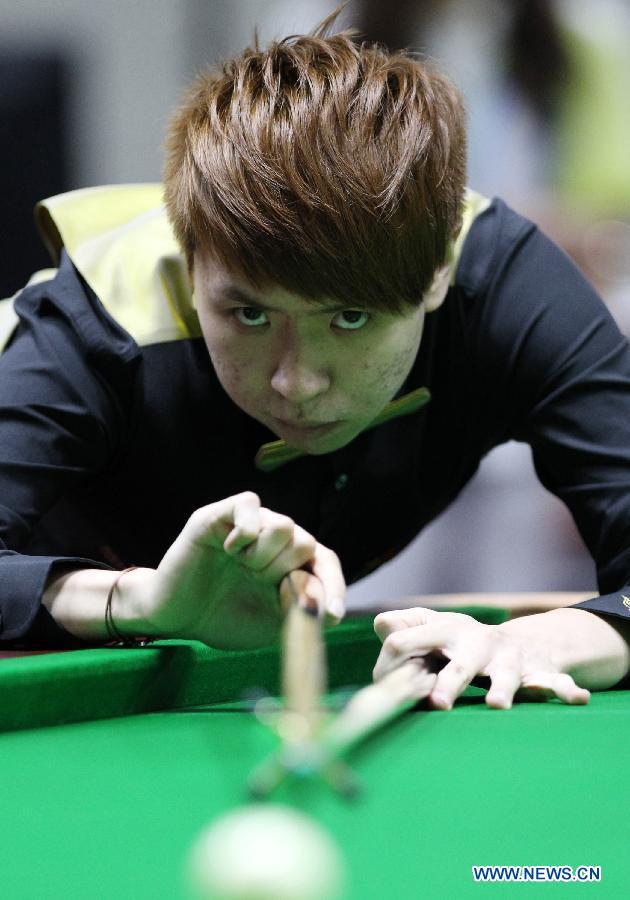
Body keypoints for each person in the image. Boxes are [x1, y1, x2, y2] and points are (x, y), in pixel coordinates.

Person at [1, 14, 628, 711]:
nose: (294, 381)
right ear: (191, 258)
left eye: (350, 318)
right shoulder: (97, 323)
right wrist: (135, 599)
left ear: (438, 272)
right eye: (249, 316)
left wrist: (544, 640)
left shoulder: (508, 290)